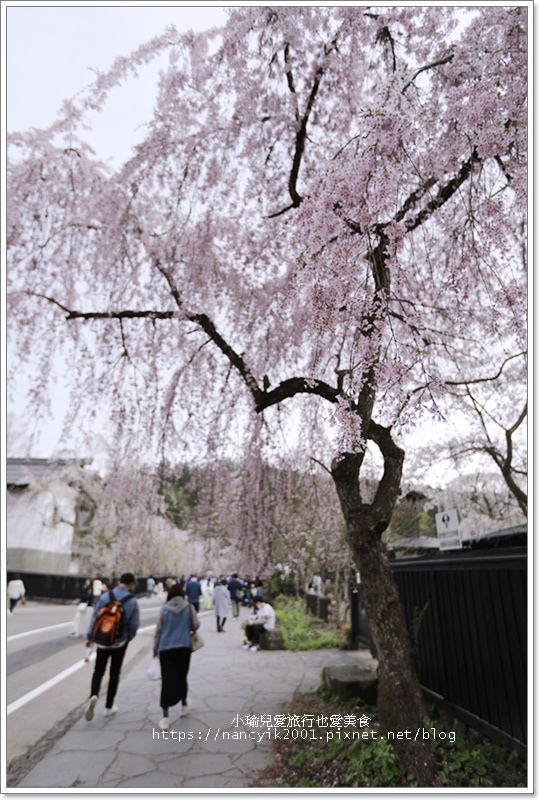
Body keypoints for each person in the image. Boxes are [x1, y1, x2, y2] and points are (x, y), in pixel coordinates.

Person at [84, 572, 140, 720]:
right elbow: (134, 625)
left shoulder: (105, 596)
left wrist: (90, 636)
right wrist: (128, 638)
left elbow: (95, 617)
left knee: (98, 671)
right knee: (114, 673)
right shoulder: (132, 600)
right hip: (119, 642)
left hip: (103, 641)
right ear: (130, 584)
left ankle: (94, 695)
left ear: (119, 581)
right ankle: (109, 706)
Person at [153, 582, 200, 729]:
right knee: (181, 676)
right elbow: (197, 624)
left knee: (167, 680)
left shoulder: (164, 609)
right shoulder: (189, 607)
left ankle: (165, 716)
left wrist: (155, 649)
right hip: (183, 647)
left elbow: (158, 631)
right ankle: (184, 704)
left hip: (166, 649)